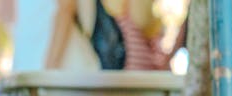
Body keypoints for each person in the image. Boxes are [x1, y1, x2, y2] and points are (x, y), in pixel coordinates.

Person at [45, 0, 175, 70]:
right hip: (148, 83)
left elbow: (66, 8)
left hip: (123, 79)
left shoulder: (116, 9)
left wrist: (49, 68)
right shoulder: (152, 14)